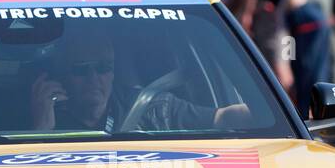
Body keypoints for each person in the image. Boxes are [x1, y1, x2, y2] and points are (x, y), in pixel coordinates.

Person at [28, 28, 249, 133]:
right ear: (61, 75)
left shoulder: (151, 107)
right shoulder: (43, 116)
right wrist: (41, 129)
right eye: (81, 70)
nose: (94, 78)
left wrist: (267, 113)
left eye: (103, 68)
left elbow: (222, 117)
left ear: (114, 72)